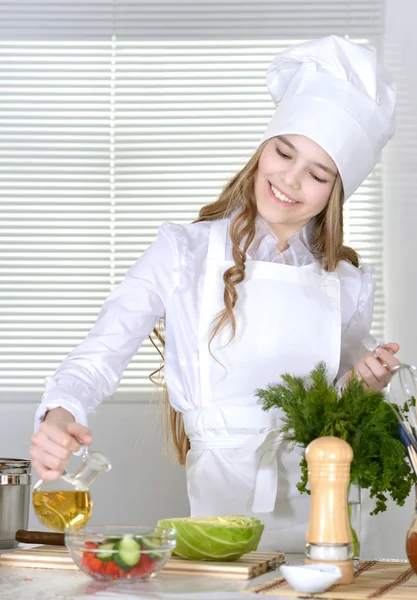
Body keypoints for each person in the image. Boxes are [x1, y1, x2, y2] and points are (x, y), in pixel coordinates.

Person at [30, 35, 400, 553]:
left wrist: (363, 384)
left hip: (325, 530)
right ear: (262, 147)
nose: (288, 181)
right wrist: (61, 416)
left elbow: (332, 411)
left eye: (317, 174)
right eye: (283, 151)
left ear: (336, 192)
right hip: (220, 529)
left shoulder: (349, 281)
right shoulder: (184, 251)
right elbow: (97, 357)